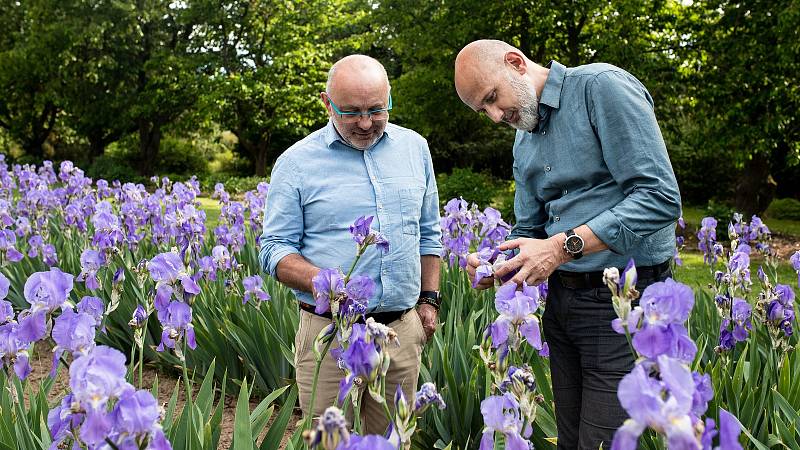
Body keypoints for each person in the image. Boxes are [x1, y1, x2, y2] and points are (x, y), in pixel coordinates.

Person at [454, 39, 682, 449]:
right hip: (563, 305)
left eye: (491, 98)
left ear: (515, 63)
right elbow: (529, 227)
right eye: (481, 110)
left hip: (624, 304)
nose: (492, 116)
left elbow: (659, 198)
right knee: (572, 441)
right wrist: (496, 261)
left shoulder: (601, 88)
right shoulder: (524, 139)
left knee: (603, 443)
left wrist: (562, 247)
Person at [259, 54, 442, 434]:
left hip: (399, 333)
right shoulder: (296, 163)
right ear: (326, 103)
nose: (365, 123)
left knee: (392, 441)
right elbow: (273, 249)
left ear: (390, 98)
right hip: (330, 336)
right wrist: (324, 281)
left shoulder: (415, 149)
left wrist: (429, 300)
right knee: (329, 440)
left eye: (377, 110)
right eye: (351, 111)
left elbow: (429, 232)